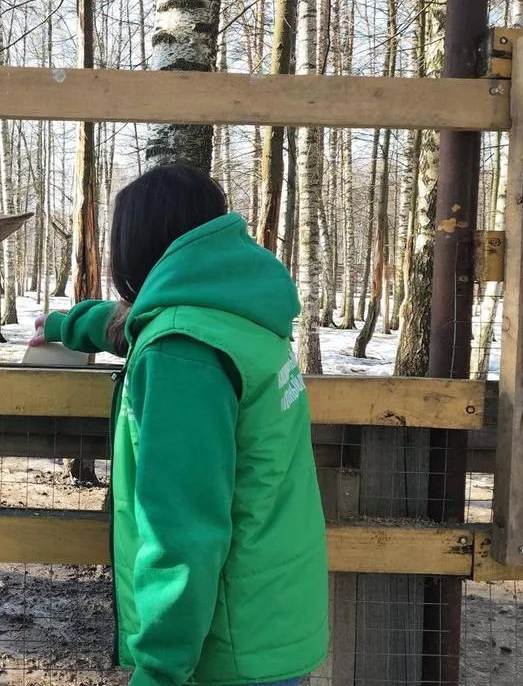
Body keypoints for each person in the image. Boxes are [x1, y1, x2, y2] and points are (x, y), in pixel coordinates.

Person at [29, 164, 328, 686]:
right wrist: (67, 324)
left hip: (222, 652)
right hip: (270, 618)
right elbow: (140, 325)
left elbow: (184, 531)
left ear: (134, 247)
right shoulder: (238, 312)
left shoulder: (182, 355)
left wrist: (160, 672)